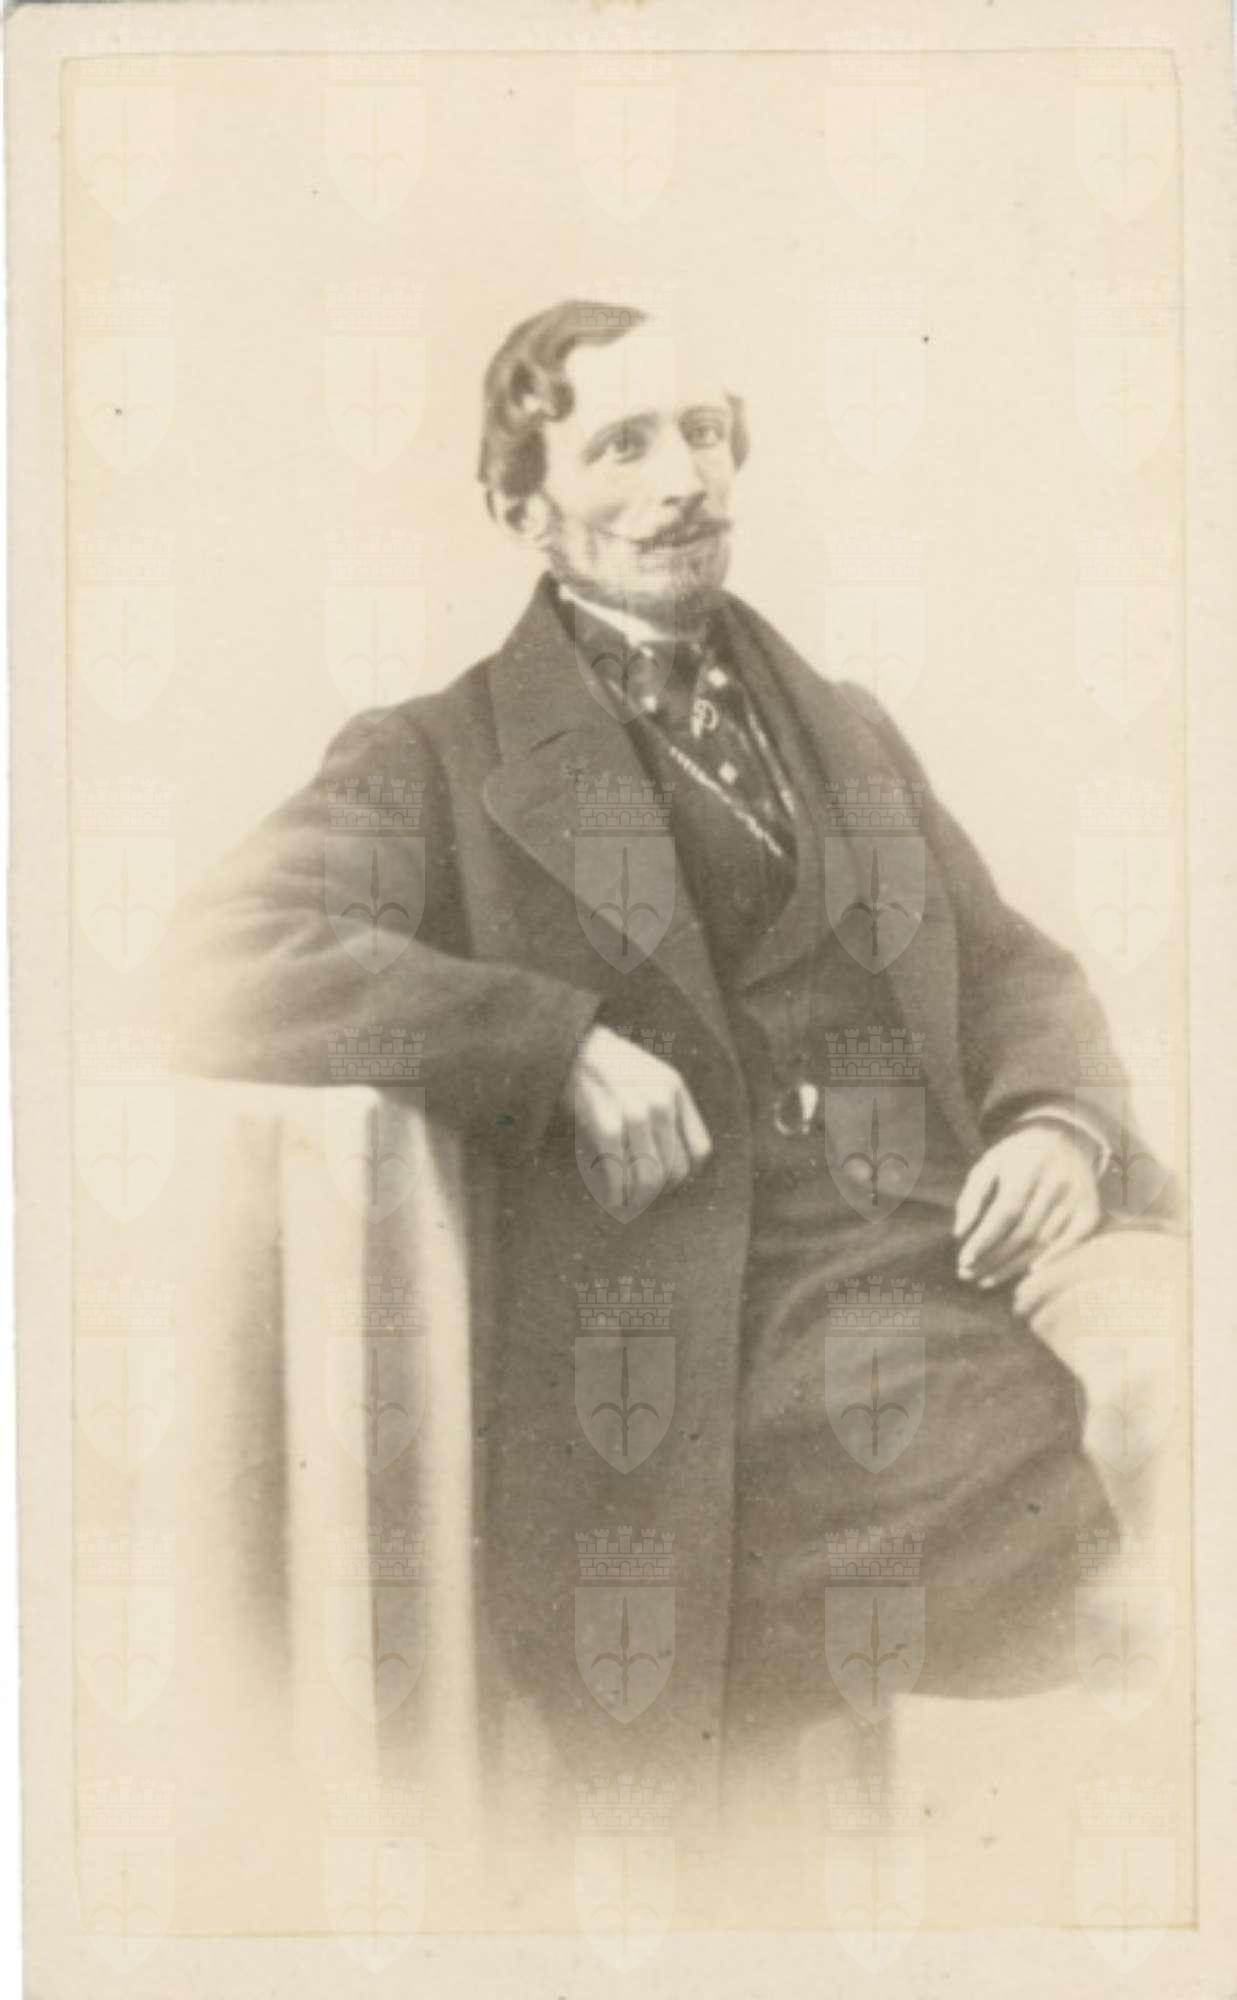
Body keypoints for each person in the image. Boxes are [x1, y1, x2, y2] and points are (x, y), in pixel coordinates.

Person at [164, 299, 1171, 1875]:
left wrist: (1058, 1124)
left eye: (701, 431)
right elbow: (213, 955)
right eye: (620, 444)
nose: (681, 479)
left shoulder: (845, 730)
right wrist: (548, 1038)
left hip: (971, 1243)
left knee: (1181, 1364)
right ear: (522, 508)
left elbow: (1008, 968)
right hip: (728, 1329)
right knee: (1092, 1500)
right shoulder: (438, 757)